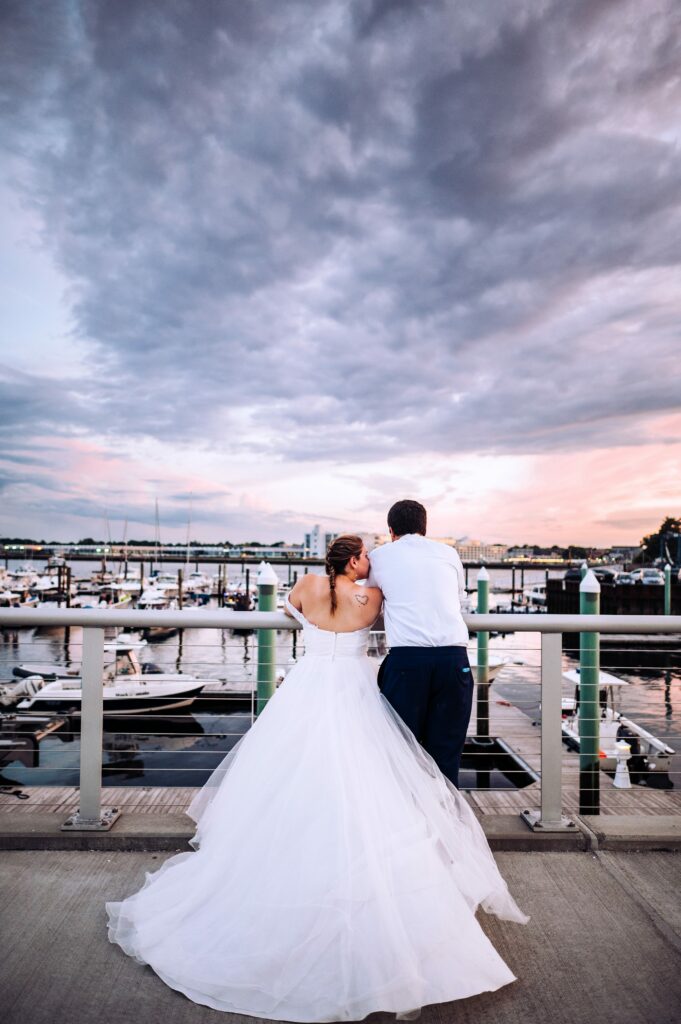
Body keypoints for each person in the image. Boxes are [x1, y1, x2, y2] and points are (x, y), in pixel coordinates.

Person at [106, 534, 527, 1021]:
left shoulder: (304, 585)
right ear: (353, 560)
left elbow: (291, 609)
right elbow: (384, 618)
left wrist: (313, 613)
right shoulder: (370, 598)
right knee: (366, 777)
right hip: (353, 690)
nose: (370, 560)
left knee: (290, 773)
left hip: (306, 688)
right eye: (365, 554)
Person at [369, 499, 471, 787]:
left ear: (391, 530)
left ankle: (408, 821)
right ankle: (447, 822)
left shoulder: (380, 556)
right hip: (454, 659)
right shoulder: (449, 553)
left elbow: (370, 601)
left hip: (408, 662)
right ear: (425, 528)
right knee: (447, 753)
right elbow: (459, 597)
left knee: (401, 750)